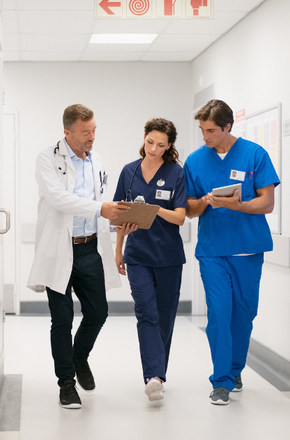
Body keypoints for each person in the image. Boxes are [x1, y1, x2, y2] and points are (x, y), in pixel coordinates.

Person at [26, 104, 129, 410]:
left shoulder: (95, 159)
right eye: (86, 132)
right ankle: (66, 384)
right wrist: (102, 209)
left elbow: (98, 201)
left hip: (89, 248)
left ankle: (78, 356)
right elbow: (58, 198)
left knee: (98, 313)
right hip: (60, 249)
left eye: (94, 130)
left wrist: (117, 217)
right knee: (62, 319)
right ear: (67, 132)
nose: (92, 137)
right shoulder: (47, 158)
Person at [184, 99, 280, 405]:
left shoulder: (255, 154)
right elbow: (189, 209)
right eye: (202, 130)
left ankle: (235, 368)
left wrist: (237, 204)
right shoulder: (195, 161)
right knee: (219, 312)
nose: (205, 136)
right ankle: (221, 380)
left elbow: (267, 203)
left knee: (244, 314)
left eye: (211, 130)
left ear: (228, 127)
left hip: (248, 250)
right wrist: (206, 201)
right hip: (212, 250)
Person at [112, 118, 187, 402]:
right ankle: (153, 376)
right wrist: (119, 249)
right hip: (138, 255)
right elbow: (119, 214)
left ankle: (158, 372)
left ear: (169, 147)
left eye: (161, 145)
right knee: (146, 312)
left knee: (165, 317)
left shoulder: (175, 173)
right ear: (144, 137)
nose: (154, 149)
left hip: (168, 256)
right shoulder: (129, 172)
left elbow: (179, 216)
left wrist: (153, 210)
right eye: (150, 142)